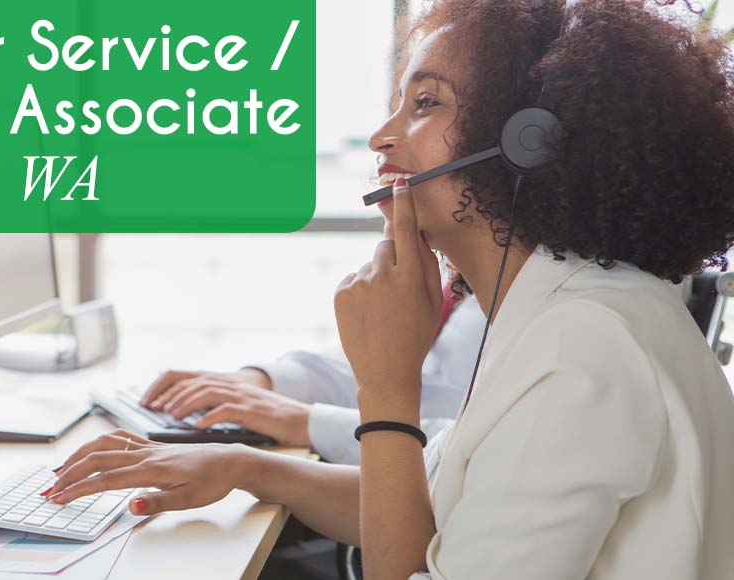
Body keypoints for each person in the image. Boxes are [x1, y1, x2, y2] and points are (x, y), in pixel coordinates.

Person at [41, 1, 734, 578]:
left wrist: (388, 388)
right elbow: (427, 500)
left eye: (425, 102)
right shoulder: (562, 309)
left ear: (528, 142)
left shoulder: (582, 346)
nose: (380, 136)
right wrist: (242, 466)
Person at [138, 287, 485, 464]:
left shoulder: (529, 301)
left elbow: (470, 451)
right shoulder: (474, 283)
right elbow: (410, 371)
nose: (378, 144)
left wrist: (303, 421)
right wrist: (261, 382)